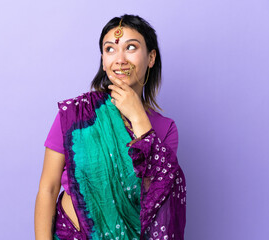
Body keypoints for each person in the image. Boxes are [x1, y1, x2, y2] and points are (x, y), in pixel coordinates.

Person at [34, 14, 186, 240]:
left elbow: (158, 194)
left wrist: (138, 116)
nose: (120, 59)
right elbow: (48, 188)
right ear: (104, 61)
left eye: (131, 47)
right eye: (110, 49)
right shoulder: (77, 116)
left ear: (151, 57)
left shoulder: (165, 129)